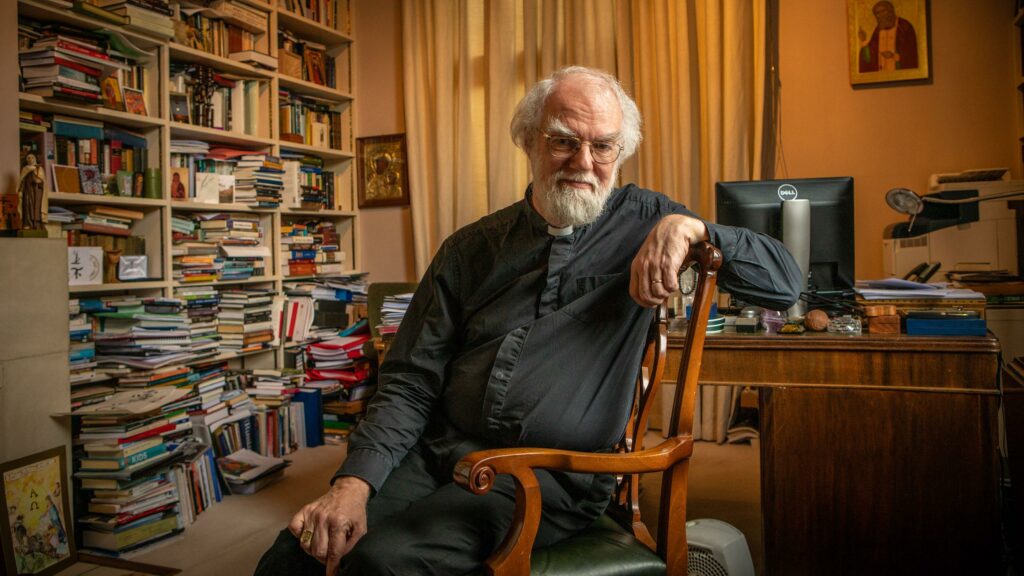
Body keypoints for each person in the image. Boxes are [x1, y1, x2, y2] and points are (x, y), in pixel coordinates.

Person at [255, 66, 801, 576]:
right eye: (564, 140)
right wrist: (353, 483)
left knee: (383, 560)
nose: (584, 162)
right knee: (296, 553)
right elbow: (410, 380)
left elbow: (784, 283)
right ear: (529, 141)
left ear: (621, 151)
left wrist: (695, 229)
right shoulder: (468, 249)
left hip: (549, 475)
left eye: (603, 146)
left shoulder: (647, 220)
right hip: (439, 450)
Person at [858, 0, 918, 73]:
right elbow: (870, 56)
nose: (881, 15)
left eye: (883, 11)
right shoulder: (878, 30)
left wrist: (894, 56)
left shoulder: (904, 27)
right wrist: (863, 40)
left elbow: (912, 54)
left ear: (890, 11)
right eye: (878, 13)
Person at [18, 154, 44, 230]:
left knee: (36, 207)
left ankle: (36, 224)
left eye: (32, 157)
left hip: (36, 192)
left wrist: (38, 181)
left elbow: (42, 181)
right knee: (26, 206)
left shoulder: (39, 169)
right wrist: (20, 190)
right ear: (26, 160)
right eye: (28, 158)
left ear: (35, 159)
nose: (30, 159)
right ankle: (27, 223)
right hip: (27, 191)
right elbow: (21, 181)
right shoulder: (24, 169)